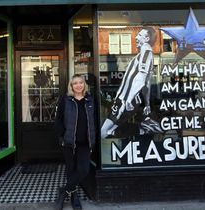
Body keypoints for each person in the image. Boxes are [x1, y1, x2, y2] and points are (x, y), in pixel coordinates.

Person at [101, 27, 163, 139]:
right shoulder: (144, 55)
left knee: (103, 133)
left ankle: (143, 129)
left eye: (139, 35)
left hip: (125, 101)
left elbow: (142, 78)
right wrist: (147, 103)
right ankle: (143, 128)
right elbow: (147, 83)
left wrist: (128, 100)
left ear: (147, 38)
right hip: (126, 101)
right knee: (108, 131)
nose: (136, 37)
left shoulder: (146, 51)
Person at [54, 74, 96, 210]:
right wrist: (61, 137)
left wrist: (93, 139)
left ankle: (64, 191)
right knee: (71, 170)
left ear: (84, 85)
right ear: (71, 86)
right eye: (75, 83)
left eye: (81, 83)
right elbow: (58, 119)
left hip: (85, 143)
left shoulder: (90, 100)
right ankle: (74, 196)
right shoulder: (66, 100)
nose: (78, 85)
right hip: (69, 142)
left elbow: (94, 121)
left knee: (83, 170)